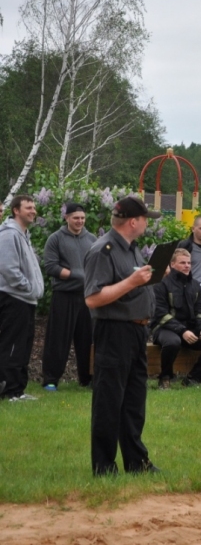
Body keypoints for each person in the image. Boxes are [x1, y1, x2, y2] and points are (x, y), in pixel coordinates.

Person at [83, 195, 162, 476]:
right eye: (145, 219)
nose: (147, 224)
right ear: (133, 221)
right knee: (108, 402)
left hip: (137, 332)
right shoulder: (101, 250)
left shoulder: (131, 249)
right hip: (114, 332)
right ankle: (103, 467)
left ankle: (136, 462)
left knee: (133, 401)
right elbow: (93, 298)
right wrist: (132, 281)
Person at [150, 248, 201, 389]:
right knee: (173, 342)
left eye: (189, 263)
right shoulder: (161, 285)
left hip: (190, 329)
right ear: (172, 264)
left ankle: (194, 379)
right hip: (164, 328)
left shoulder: (196, 285)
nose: (187, 266)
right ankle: (165, 378)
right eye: (182, 263)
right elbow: (160, 314)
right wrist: (182, 331)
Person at [41, 202, 97, 390]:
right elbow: (51, 267)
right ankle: (50, 380)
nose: (80, 221)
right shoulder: (55, 239)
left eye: (82, 218)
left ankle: (87, 378)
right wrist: (76, 275)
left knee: (87, 339)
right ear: (66, 218)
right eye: (76, 218)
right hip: (63, 296)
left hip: (87, 297)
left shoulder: (92, 239)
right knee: (58, 340)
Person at [0, 195, 45, 402]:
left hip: (26, 300)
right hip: (14, 298)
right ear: (16, 210)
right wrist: (28, 288)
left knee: (24, 345)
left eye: (34, 207)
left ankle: (18, 389)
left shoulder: (23, 235)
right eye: (28, 207)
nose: (33, 211)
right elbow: (9, 269)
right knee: (12, 344)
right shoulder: (9, 235)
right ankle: (9, 390)